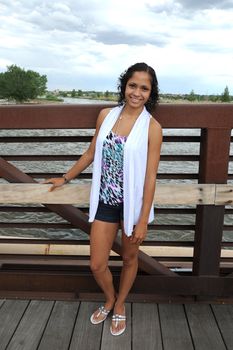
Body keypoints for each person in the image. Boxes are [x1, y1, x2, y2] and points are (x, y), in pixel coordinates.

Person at [43, 62, 162, 336]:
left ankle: (120, 305)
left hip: (132, 206)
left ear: (150, 93)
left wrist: (142, 220)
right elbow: (90, 153)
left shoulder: (153, 128)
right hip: (106, 201)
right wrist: (65, 177)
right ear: (124, 86)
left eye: (144, 88)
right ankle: (109, 298)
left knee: (130, 259)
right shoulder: (106, 115)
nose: (137, 92)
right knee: (97, 264)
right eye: (133, 85)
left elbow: (150, 177)